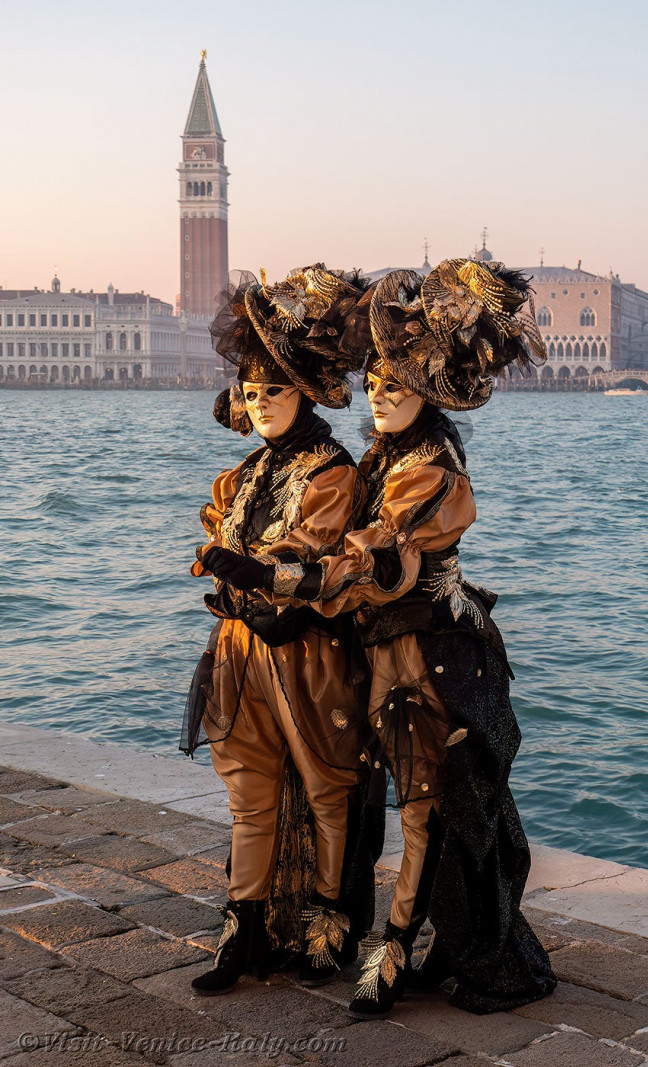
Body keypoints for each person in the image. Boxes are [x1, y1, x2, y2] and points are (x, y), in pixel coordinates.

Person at [201, 258, 558, 1017]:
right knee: (396, 798)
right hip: (384, 651)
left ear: (429, 387)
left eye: (396, 382)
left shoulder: (430, 470)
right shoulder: (384, 455)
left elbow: (376, 560)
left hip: (434, 656)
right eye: (372, 381)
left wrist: (275, 579)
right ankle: (369, 932)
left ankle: (391, 949)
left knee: (427, 804)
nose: (380, 393)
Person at [183, 265, 382, 996]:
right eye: (251, 390)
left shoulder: (333, 471)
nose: (260, 401)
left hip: (308, 656)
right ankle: (244, 928)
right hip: (238, 652)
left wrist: (250, 567)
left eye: (274, 388)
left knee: (328, 787)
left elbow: (314, 554)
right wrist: (228, 570)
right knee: (249, 791)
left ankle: (327, 926)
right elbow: (223, 543)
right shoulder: (243, 475)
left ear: (305, 390)